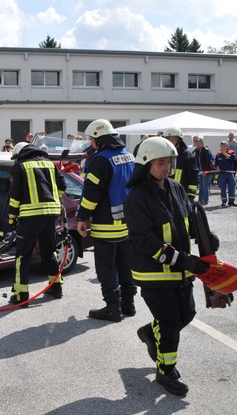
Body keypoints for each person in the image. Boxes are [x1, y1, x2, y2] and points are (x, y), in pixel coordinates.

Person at [124, 136, 212, 396]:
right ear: (145, 164)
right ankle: (166, 371)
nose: (166, 167)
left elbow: (187, 219)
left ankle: (150, 334)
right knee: (171, 321)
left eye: (169, 162)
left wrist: (205, 235)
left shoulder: (175, 187)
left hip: (181, 270)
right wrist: (186, 261)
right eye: (160, 162)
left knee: (187, 314)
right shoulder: (137, 198)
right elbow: (147, 242)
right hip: (153, 273)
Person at [77, 119, 136, 322]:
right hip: (126, 223)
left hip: (106, 224)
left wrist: (82, 217)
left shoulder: (101, 160)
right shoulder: (128, 156)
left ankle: (112, 309)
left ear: (99, 140)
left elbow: (91, 194)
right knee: (124, 265)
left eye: (92, 139)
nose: (91, 143)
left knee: (107, 268)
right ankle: (128, 304)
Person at [6, 143, 66, 305]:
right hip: (51, 214)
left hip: (30, 216)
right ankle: (56, 287)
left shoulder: (21, 166)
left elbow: (15, 195)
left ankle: (20, 295)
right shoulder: (50, 163)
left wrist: (11, 217)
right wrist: (56, 200)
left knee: (23, 255)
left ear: (19, 154)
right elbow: (63, 186)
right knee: (49, 252)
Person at [162, 127, 198, 202]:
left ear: (179, 140)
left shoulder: (188, 156)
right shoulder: (162, 154)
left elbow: (193, 177)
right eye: (168, 139)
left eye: (173, 139)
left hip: (181, 194)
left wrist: (190, 197)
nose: (170, 142)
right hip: (165, 193)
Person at [214, 140, 237, 207]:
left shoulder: (231, 152)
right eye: (222, 146)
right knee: (223, 187)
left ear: (227, 146)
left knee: (232, 186)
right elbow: (216, 163)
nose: (223, 148)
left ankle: (231, 201)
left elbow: (232, 159)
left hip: (229, 172)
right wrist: (217, 167)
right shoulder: (218, 154)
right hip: (222, 173)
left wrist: (224, 153)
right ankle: (224, 201)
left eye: (224, 146)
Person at [194, 138, 212, 205]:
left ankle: (205, 200)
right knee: (200, 186)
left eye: (199, 143)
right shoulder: (197, 151)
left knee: (205, 186)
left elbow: (207, 161)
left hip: (205, 171)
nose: (198, 145)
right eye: (197, 144)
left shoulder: (206, 150)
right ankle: (200, 199)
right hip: (199, 171)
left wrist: (205, 171)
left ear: (202, 143)